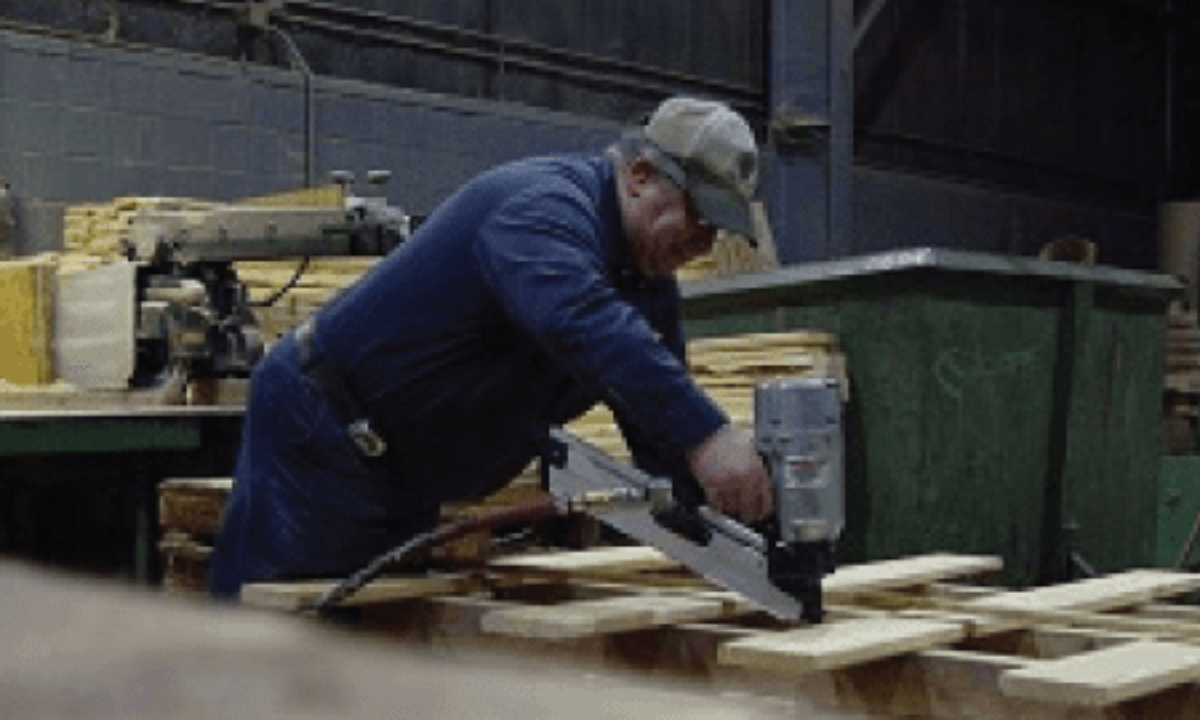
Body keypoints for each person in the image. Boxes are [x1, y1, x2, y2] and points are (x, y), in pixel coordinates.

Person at [210, 96, 773, 598]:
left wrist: (746, 538)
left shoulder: (646, 284)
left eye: (715, 231)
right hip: (322, 433)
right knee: (277, 641)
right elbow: (583, 322)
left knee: (365, 646)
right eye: (697, 217)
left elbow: (660, 438)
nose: (703, 245)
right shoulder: (539, 210)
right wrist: (709, 435)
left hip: (399, 465)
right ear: (641, 176)